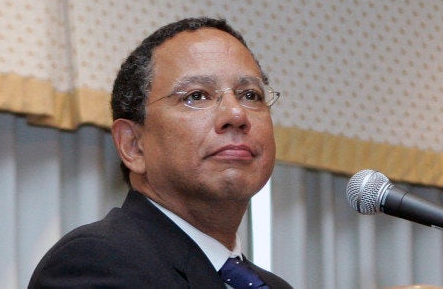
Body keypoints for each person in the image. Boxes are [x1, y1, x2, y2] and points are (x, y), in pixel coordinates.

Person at [29, 17, 292, 288]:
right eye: (197, 95)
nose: (236, 114)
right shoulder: (96, 260)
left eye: (250, 95)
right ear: (133, 145)